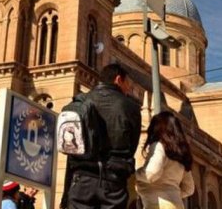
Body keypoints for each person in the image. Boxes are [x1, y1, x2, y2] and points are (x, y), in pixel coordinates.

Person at [61, 63, 142, 209]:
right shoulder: (131, 107)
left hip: (81, 178)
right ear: (118, 79)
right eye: (127, 84)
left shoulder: (81, 100)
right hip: (113, 181)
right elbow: (132, 147)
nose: (128, 89)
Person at [135, 111, 195, 209]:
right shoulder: (182, 154)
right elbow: (189, 188)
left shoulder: (159, 146)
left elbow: (151, 173)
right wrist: (172, 194)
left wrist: (134, 174)